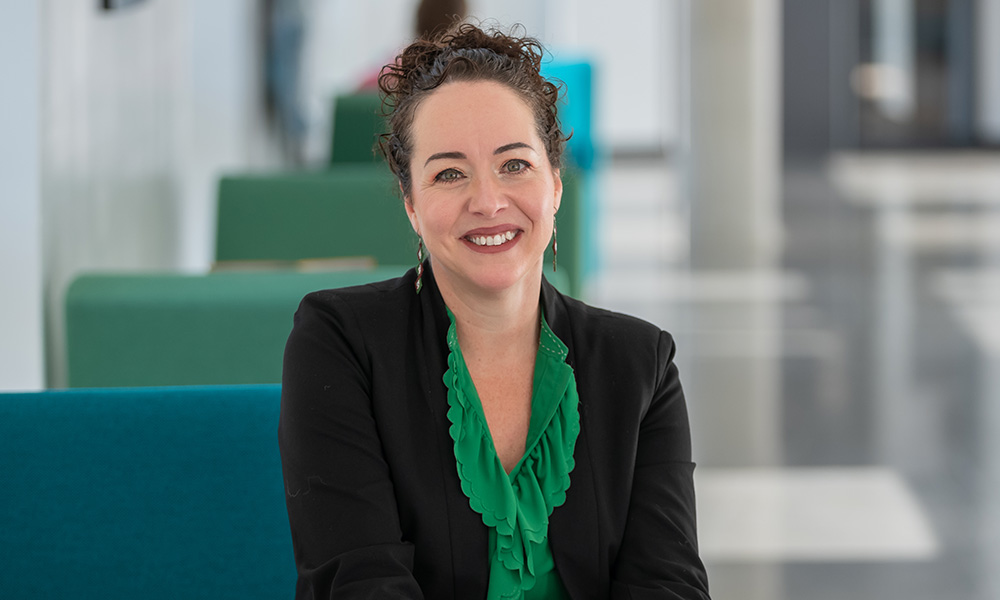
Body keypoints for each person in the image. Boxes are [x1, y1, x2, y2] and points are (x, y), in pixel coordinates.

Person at [278, 23, 711, 599]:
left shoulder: (642, 363)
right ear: (410, 203)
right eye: (449, 173)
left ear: (556, 184)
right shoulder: (341, 342)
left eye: (514, 164)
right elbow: (360, 582)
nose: (487, 202)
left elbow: (668, 585)